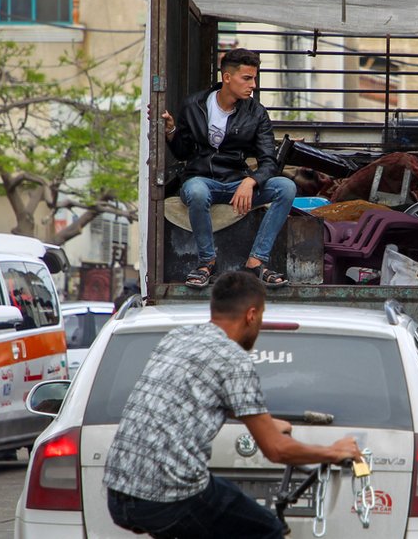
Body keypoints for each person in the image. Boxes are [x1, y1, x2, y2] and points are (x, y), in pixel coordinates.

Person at [103, 271, 362, 538]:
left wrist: (267, 423)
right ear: (251, 315)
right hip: (169, 496)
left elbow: (196, 396)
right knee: (267, 530)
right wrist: (334, 451)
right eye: (260, 317)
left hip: (119, 491)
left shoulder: (177, 338)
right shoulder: (234, 360)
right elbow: (276, 450)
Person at [162, 48, 295, 290]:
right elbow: (183, 153)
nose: (252, 85)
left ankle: (256, 261)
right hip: (200, 181)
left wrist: (250, 181)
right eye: (246, 78)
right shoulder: (194, 105)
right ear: (227, 78)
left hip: (237, 183)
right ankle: (206, 263)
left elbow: (269, 162)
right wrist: (171, 131)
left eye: (254, 78)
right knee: (197, 191)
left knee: (285, 187)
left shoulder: (256, 113)